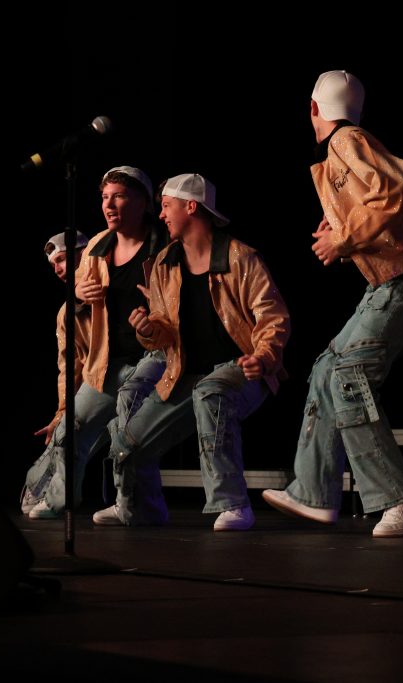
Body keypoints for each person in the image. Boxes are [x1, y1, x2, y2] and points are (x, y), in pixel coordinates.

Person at [261, 70, 403, 538]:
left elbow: (394, 192)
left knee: (347, 375)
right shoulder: (345, 146)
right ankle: (312, 492)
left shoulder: (345, 140)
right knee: (327, 369)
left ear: (313, 109)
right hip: (398, 280)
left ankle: (397, 499)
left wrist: (342, 239)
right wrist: (341, 230)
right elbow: (380, 204)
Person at [93, 173, 290, 531]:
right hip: (184, 373)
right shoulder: (165, 262)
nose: (162, 215)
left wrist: (262, 357)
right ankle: (141, 508)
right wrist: (148, 329)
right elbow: (163, 330)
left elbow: (272, 317)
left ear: (191, 206)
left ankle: (233, 504)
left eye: (167, 206)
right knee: (127, 445)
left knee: (210, 392)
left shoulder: (240, 257)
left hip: (242, 371)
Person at [26, 166, 168, 519]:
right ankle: (61, 501)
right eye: (105, 197)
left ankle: (135, 505)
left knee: (129, 423)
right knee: (70, 429)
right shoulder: (96, 248)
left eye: (119, 196)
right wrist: (77, 291)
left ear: (142, 202)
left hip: (155, 354)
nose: (109, 204)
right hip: (109, 363)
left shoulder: (162, 245)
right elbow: (68, 362)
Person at [19, 229, 91, 515]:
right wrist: (61, 411)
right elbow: (69, 368)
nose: (59, 270)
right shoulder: (66, 314)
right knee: (66, 429)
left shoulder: (114, 282)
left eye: (62, 259)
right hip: (96, 385)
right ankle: (49, 493)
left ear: (83, 253)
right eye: (54, 265)